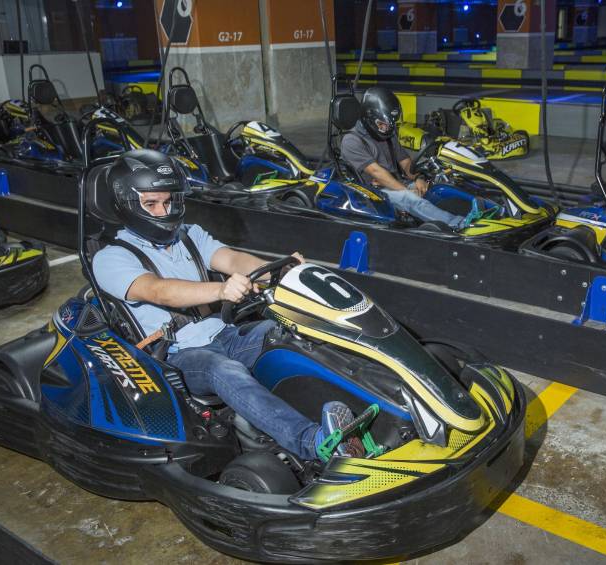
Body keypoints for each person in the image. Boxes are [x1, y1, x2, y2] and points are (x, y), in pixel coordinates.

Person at [92, 149, 363, 460]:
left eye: (169, 201)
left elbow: (232, 259)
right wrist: (221, 289)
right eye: (151, 204)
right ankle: (315, 443)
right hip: (178, 357)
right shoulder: (111, 257)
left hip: (226, 335)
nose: (163, 211)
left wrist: (279, 270)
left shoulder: (188, 235)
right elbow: (159, 291)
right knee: (224, 370)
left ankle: (366, 401)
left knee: (286, 330)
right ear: (127, 206)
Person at [341, 86, 484, 230]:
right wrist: (406, 190)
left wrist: (418, 179)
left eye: (390, 124)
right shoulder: (352, 141)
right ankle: (461, 225)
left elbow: (405, 162)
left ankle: (485, 208)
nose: (388, 128)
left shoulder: (387, 135)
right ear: (369, 118)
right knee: (410, 199)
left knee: (438, 186)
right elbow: (376, 172)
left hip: (396, 183)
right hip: (373, 193)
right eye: (383, 125)